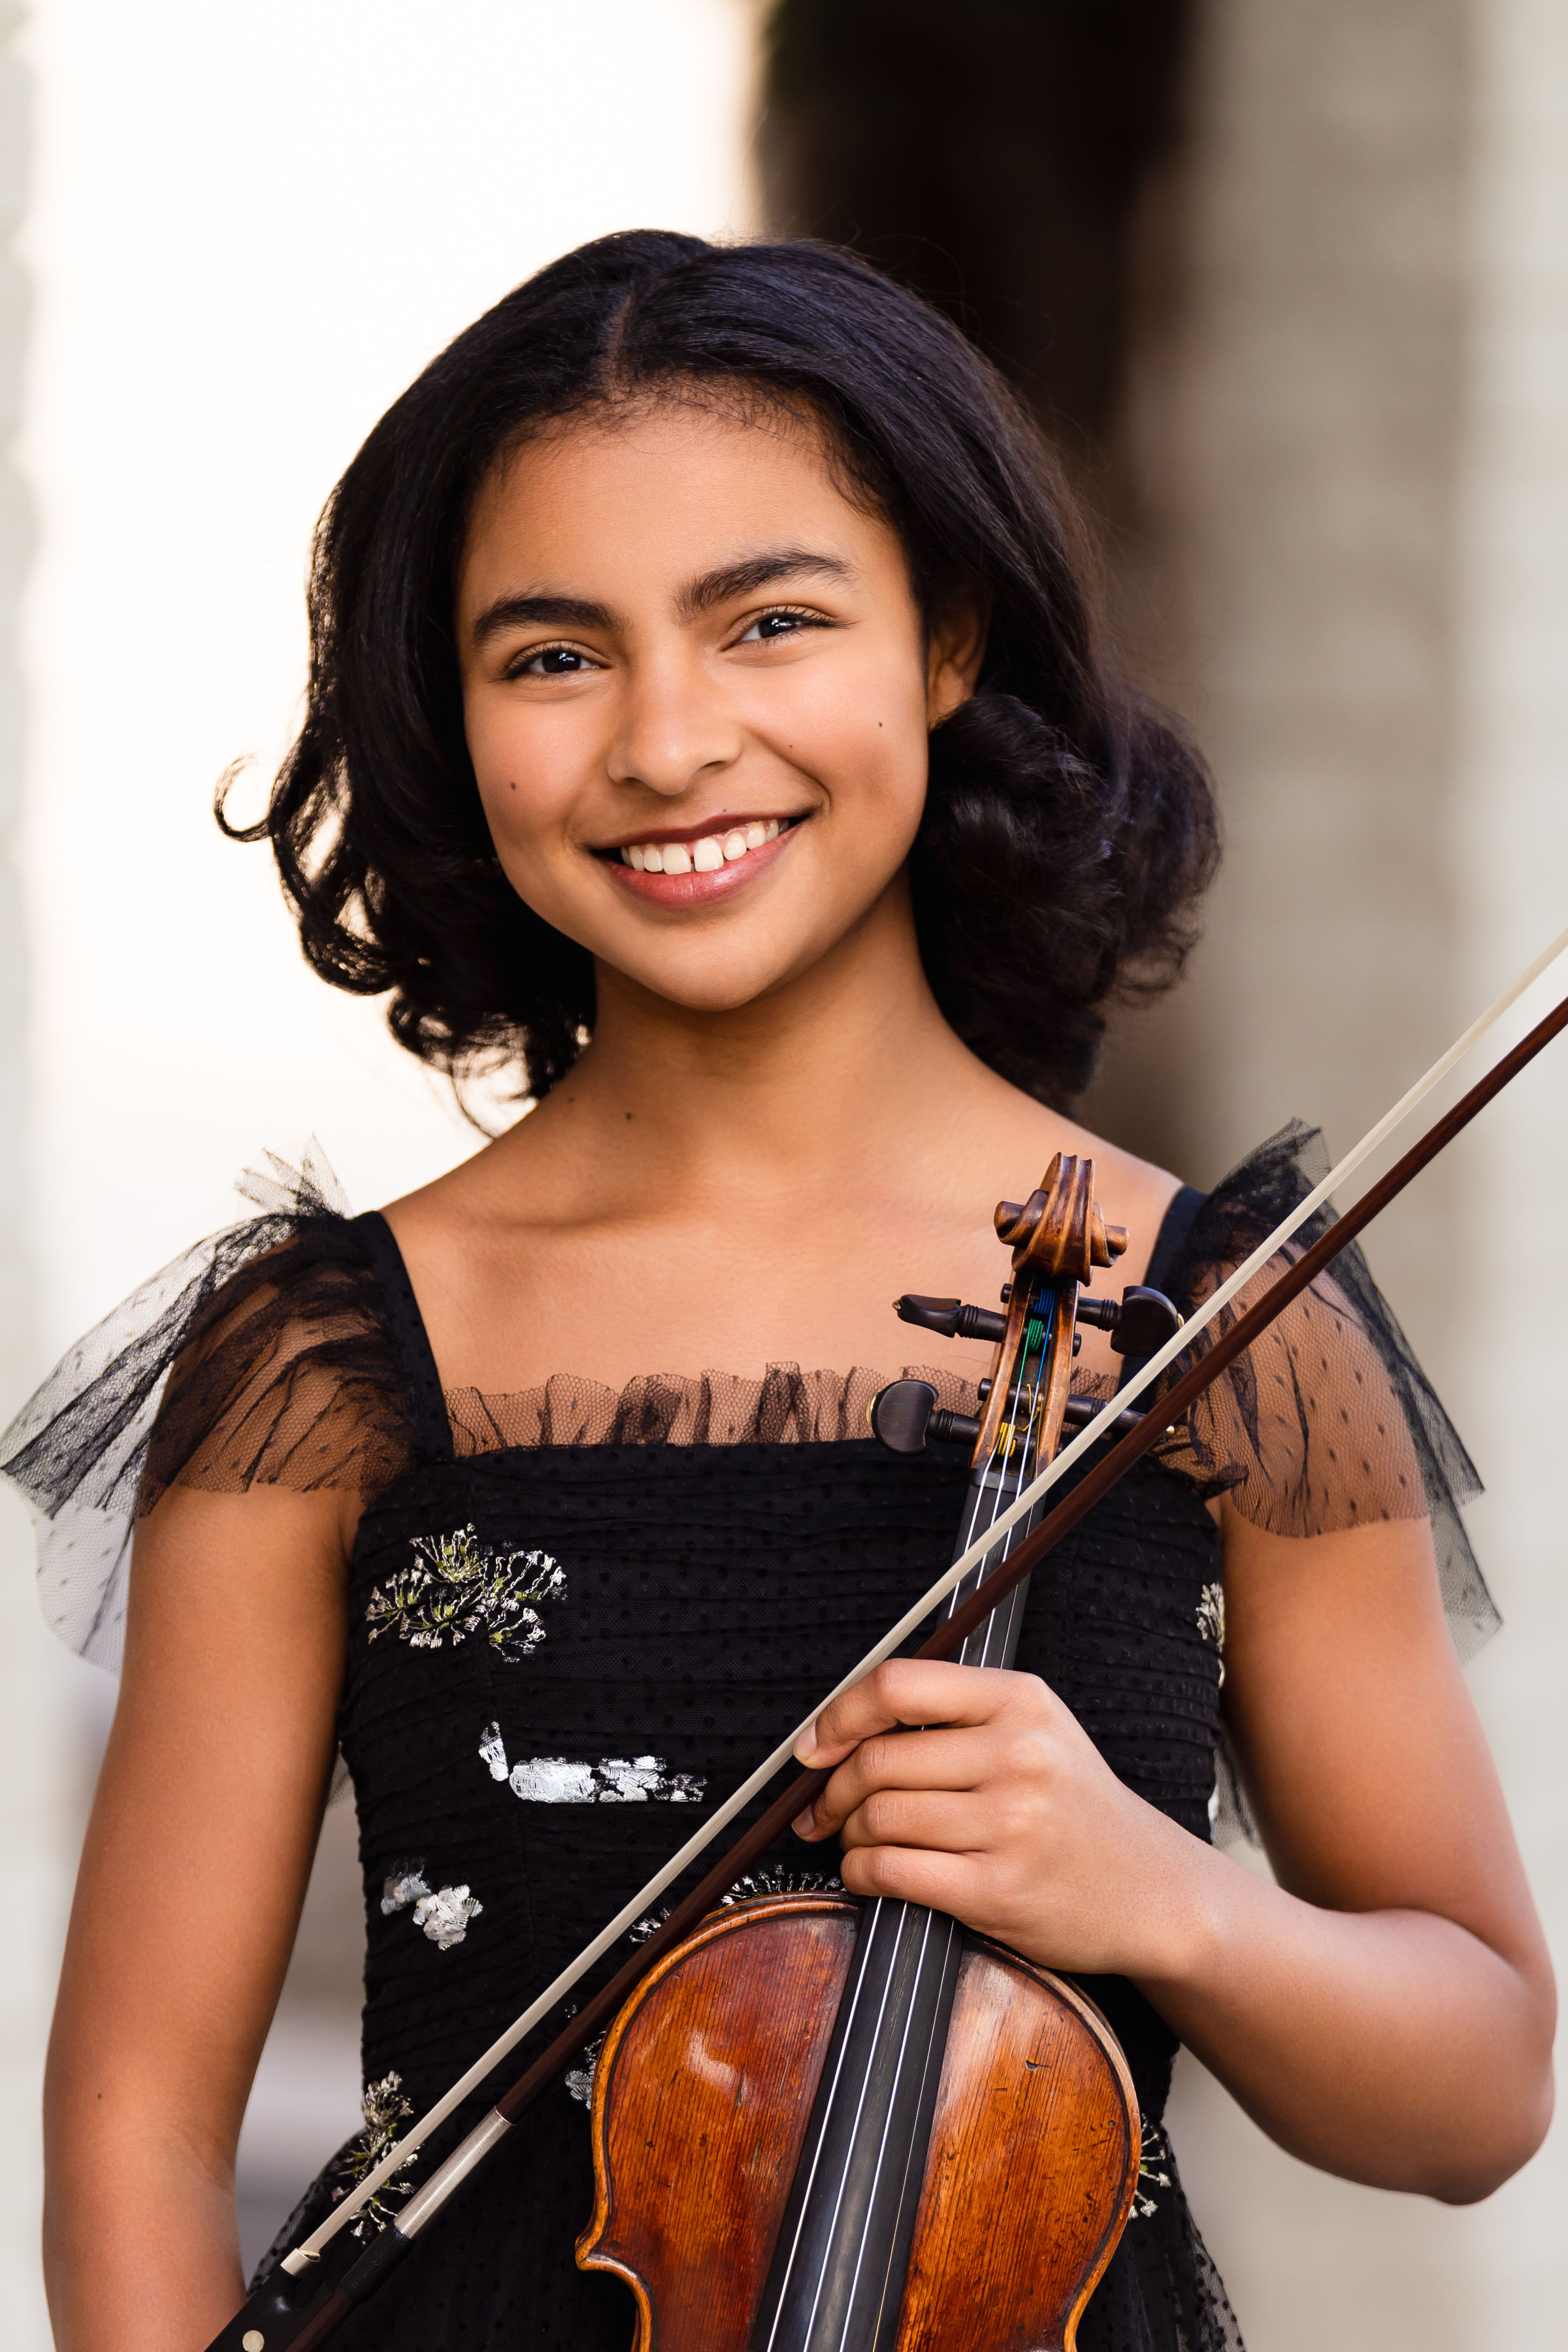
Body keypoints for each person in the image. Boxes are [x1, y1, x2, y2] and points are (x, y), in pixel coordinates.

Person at [2, 231, 1552, 2352]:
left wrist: (1162, 1896)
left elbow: (1477, 2083)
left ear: (942, 639)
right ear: (454, 723)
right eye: (553, 656)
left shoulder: (1214, 1325)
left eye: (773, 622)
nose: (667, 738)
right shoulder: (335, 1362)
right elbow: (136, 2151)